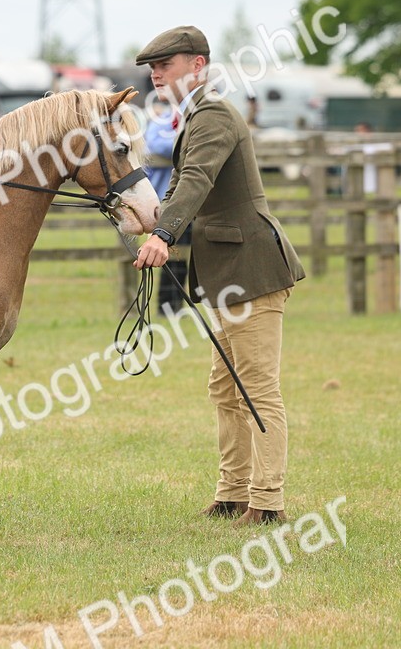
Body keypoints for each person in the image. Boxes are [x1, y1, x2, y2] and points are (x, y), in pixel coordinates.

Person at [133, 26, 305, 527]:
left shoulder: (212, 115)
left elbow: (196, 179)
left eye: (165, 65)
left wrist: (163, 233)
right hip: (229, 270)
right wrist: (149, 220)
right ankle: (232, 493)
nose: (156, 75)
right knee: (226, 389)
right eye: (153, 68)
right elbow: (185, 187)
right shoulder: (196, 116)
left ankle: (267, 502)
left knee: (256, 388)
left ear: (198, 66)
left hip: (251, 268)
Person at [144, 104, 189, 312]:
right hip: (165, 202)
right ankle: (167, 305)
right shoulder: (162, 121)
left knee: (183, 257)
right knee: (171, 255)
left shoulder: (191, 117)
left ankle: (177, 304)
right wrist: (186, 144)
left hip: (187, 203)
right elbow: (153, 143)